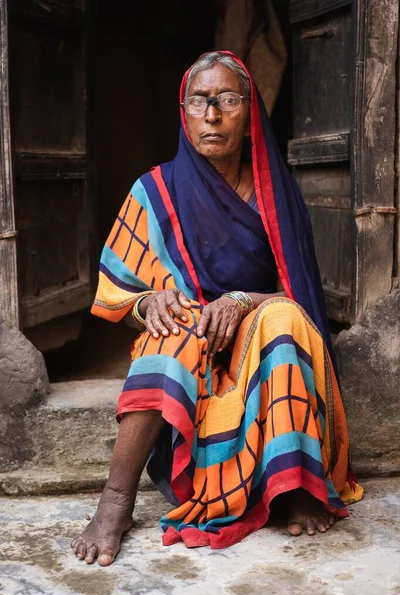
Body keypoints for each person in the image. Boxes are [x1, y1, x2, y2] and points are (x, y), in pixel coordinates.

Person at [71, 51, 363, 566]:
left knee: (282, 319)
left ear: (248, 112)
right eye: (199, 101)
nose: (212, 114)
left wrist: (239, 300)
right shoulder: (154, 191)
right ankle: (115, 501)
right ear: (183, 113)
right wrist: (150, 301)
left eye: (227, 100)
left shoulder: (277, 195)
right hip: (189, 356)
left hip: (257, 346)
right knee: (173, 328)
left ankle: (291, 483)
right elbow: (117, 295)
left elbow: (296, 295)